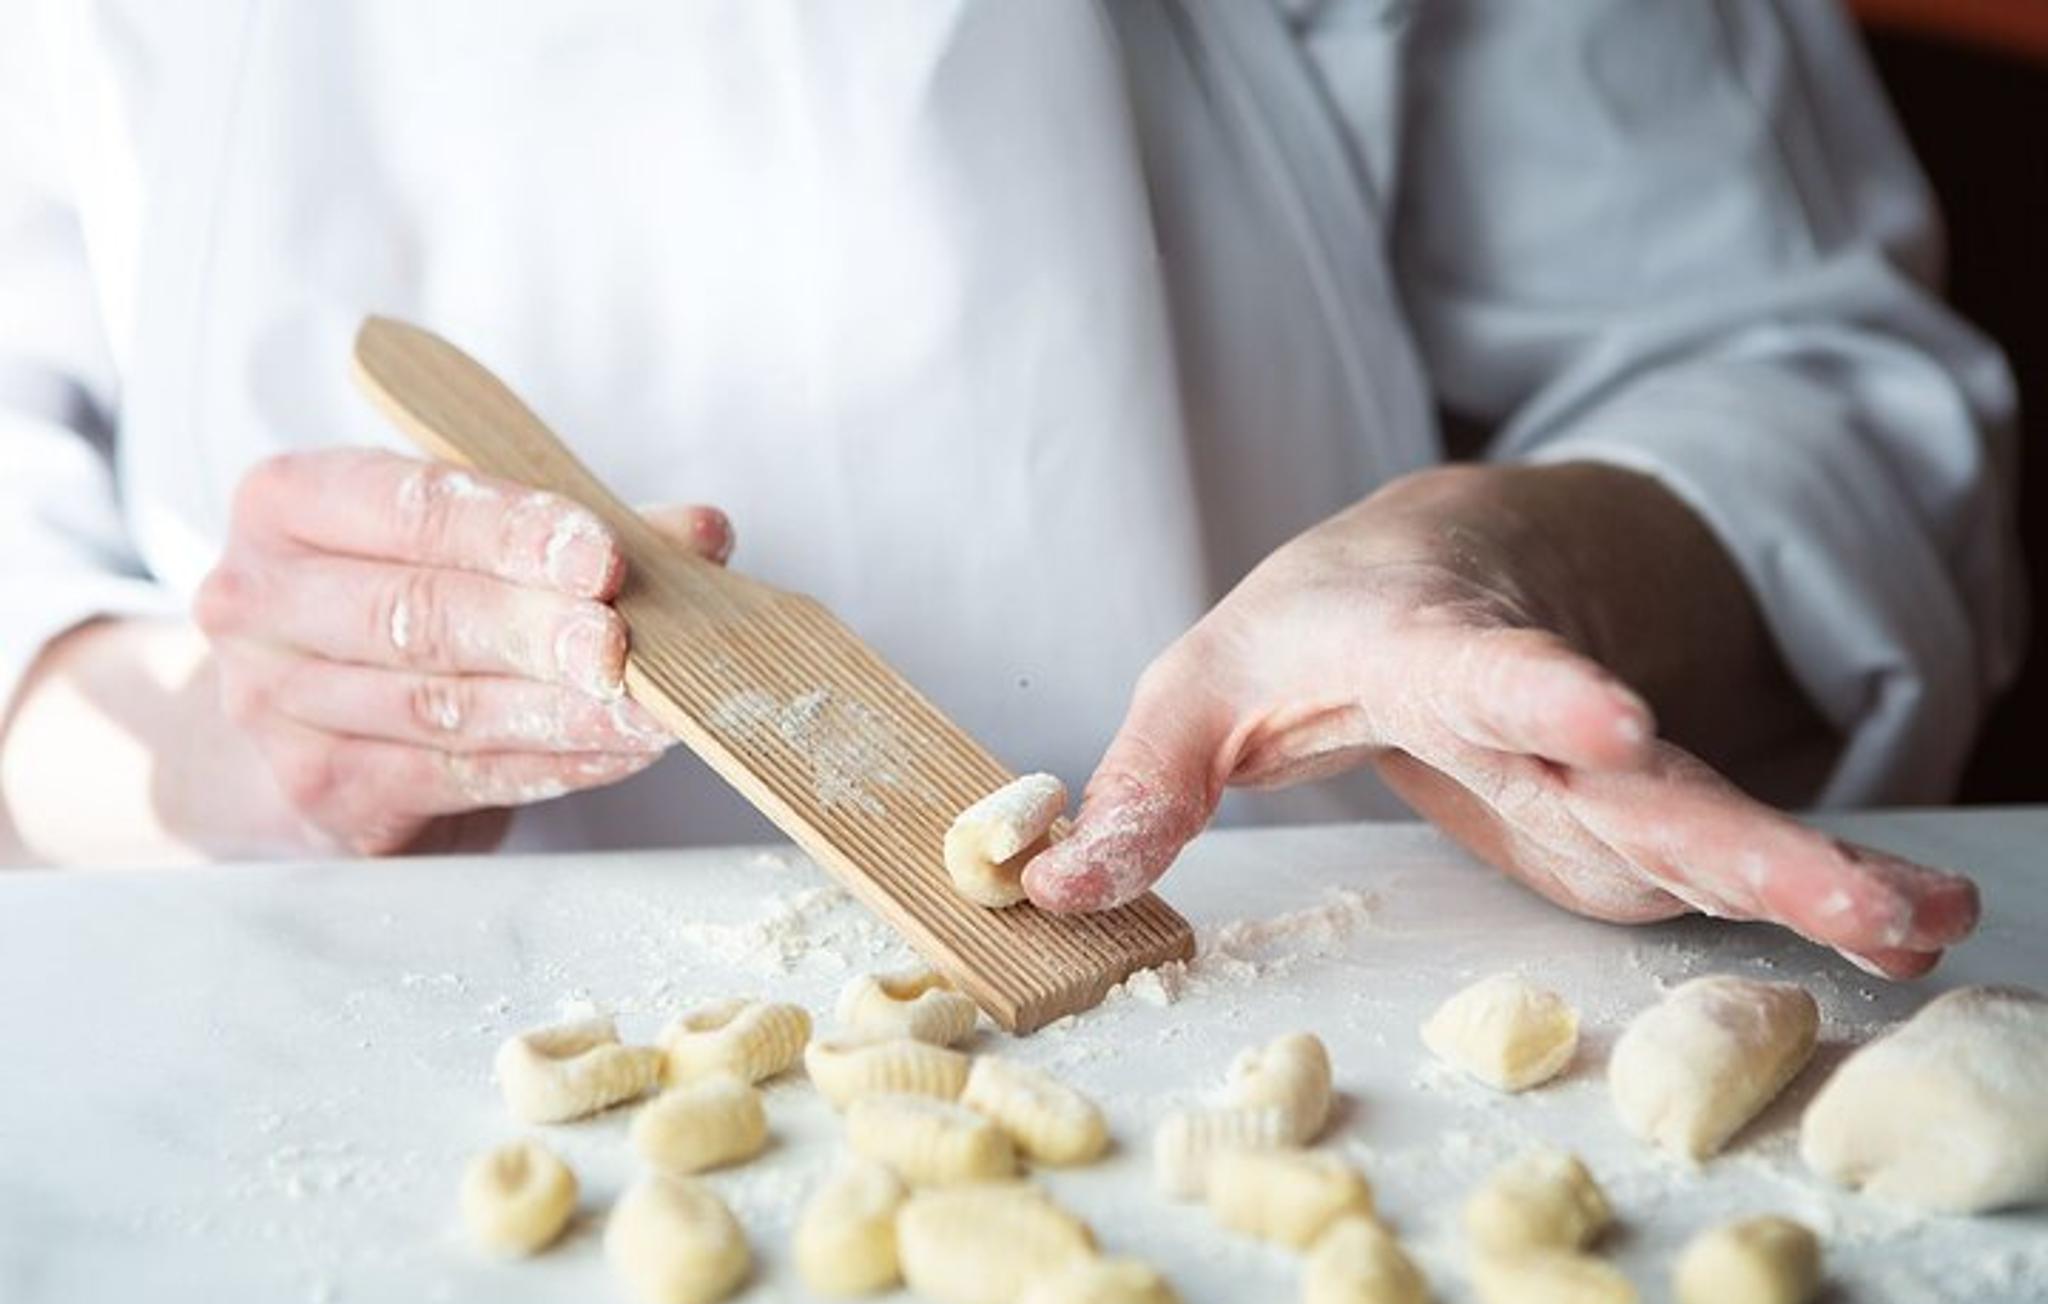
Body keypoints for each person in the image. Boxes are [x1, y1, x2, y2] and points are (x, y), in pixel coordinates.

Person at [0, 1, 2018, 982]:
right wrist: (211, 755)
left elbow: (1801, 378)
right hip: (317, 1055)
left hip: (1317, 975)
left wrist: (1522, 571)